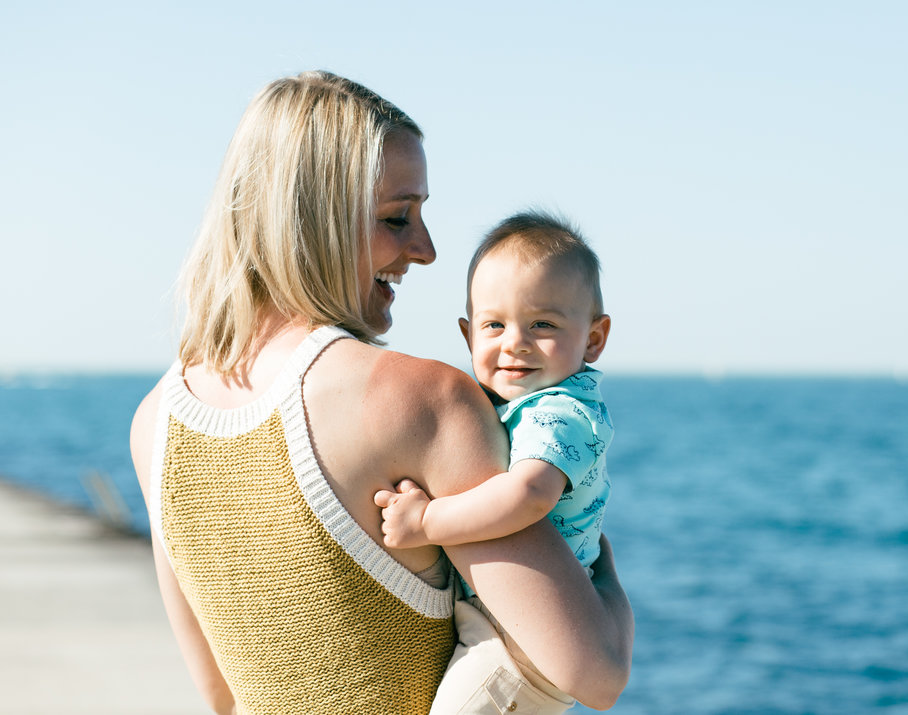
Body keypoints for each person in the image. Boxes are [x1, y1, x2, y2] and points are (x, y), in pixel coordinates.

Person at [129, 70, 632, 715]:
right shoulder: (423, 400)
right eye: (398, 218)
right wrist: (610, 591)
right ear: (312, 218)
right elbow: (594, 672)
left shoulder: (157, 424)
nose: (425, 250)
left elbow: (223, 697)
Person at [376, 212, 615, 712]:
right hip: (508, 628)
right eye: (494, 325)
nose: (515, 342)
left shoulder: (560, 412)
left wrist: (426, 521)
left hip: (523, 651)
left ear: (593, 339)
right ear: (468, 335)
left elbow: (528, 495)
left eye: (543, 324)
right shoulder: (518, 404)